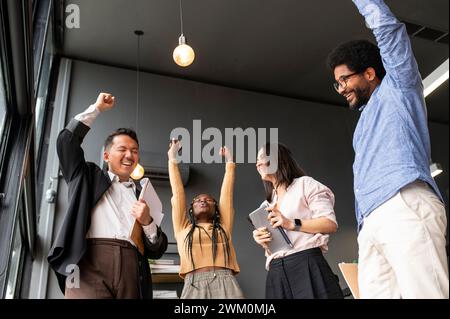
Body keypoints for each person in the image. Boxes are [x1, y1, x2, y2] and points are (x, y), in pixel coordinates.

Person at [326, 0, 448, 299]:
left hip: (404, 203)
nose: (341, 88)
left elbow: (389, 30)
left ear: (369, 73)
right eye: (336, 83)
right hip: (371, 222)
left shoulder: (399, 89)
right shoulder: (364, 122)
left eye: (345, 79)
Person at [47, 92, 168, 299]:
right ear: (106, 156)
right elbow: (66, 142)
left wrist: (147, 221)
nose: (130, 155)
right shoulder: (86, 176)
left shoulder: (143, 196)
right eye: (122, 149)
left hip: (133, 267)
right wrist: (97, 108)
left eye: (135, 151)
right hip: (87, 263)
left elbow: (156, 249)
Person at [252, 143, 343, 299]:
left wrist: (291, 223)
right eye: (257, 160)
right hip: (276, 273)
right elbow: (272, 248)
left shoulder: (305, 184)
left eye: (262, 158)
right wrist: (263, 242)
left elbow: (330, 224)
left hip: (306, 263)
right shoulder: (265, 205)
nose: (257, 163)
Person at [167, 140, 244, 299]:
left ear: (216, 209)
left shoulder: (223, 226)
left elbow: (227, 195)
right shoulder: (183, 228)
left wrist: (230, 163)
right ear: (191, 208)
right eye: (197, 200)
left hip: (226, 283)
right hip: (194, 284)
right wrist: (172, 158)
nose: (203, 201)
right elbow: (178, 194)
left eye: (209, 200)